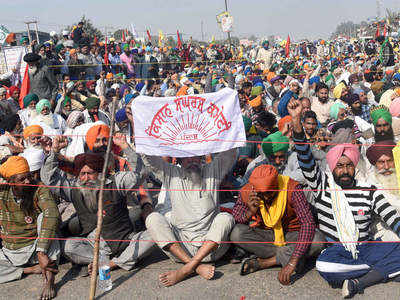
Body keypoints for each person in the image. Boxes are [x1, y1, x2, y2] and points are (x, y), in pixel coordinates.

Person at [288, 97, 400, 298]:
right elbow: (305, 160)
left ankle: (359, 281)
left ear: (355, 166)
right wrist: (296, 122)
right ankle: (384, 270)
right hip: (338, 252)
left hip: (366, 248)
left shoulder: (368, 189)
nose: (345, 170)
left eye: (349, 165)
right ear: (332, 168)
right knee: (324, 266)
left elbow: (392, 217)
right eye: (340, 166)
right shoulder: (322, 185)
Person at [41, 134, 155, 274]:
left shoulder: (116, 182)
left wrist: (125, 146)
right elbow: (49, 179)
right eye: (82, 174)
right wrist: (54, 151)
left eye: (91, 173)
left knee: (152, 236)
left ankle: (113, 263)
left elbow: (140, 174)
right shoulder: (74, 188)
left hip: (123, 240)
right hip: (94, 245)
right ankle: (105, 260)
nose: (86, 178)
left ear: (100, 173)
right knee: (67, 246)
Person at [143, 149, 237, 287]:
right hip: (181, 249)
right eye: (186, 157)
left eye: (195, 156)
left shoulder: (212, 171)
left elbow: (231, 153)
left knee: (225, 218)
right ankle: (195, 266)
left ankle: (186, 269)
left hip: (211, 250)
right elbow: (149, 159)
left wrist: (232, 128)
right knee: (153, 218)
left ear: (201, 157)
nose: (192, 160)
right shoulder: (171, 173)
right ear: (179, 160)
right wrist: (140, 133)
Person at [230, 165, 324, 284]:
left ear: (276, 185)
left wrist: (292, 262)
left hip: (292, 234)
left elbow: (308, 223)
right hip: (267, 234)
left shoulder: (292, 188)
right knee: (237, 233)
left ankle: (267, 262)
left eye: (268, 193)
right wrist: (250, 212)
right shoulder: (248, 191)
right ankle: (292, 254)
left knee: (318, 240)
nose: (265, 197)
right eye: (261, 194)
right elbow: (236, 217)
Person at [0, 156, 60, 300]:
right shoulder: (2, 192)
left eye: (28, 177)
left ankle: (49, 279)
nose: (27, 181)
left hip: (37, 248)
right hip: (11, 252)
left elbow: (52, 212)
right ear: (11, 182)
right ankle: (28, 270)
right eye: (22, 179)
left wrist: (41, 251)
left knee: (46, 220)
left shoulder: (39, 188)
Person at [365, 140, 400, 241]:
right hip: (386, 231)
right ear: (375, 164)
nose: (386, 167)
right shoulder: (370, 184)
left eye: (389, 161)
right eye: (381, 162)